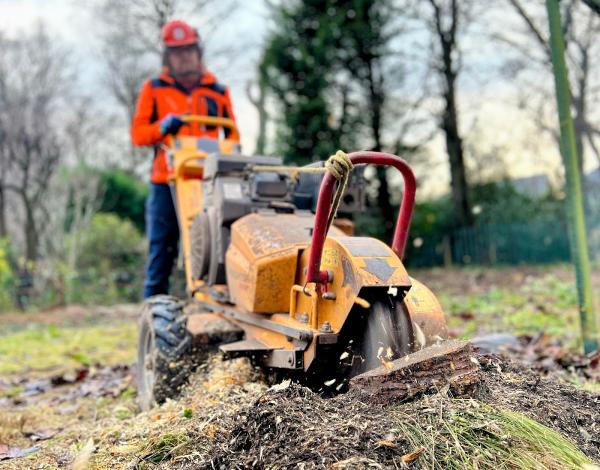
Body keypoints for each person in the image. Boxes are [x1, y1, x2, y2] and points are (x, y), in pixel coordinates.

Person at [131, 19, 238, 299]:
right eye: (177, 52)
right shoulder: (154, 88)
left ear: (198, 52)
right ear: (168, 57)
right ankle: (154, 312)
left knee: (220, 245)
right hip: (166, 182)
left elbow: (233, 138)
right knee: (161, 251)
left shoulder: (217, 90)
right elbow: (139, 135)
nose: (184, 57)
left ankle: (219, 301)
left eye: (188, 50)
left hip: (210, 181)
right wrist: (162, 128)